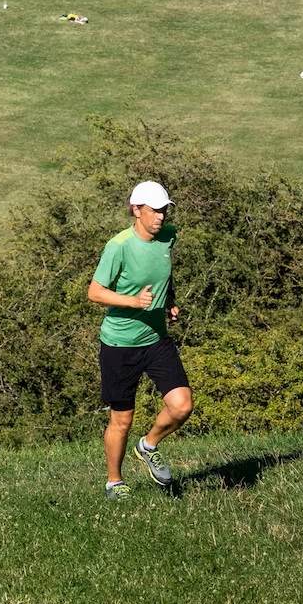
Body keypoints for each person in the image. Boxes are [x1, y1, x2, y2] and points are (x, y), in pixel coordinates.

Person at [87, 180, 193, 500]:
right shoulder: (119, 246)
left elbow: (164, 271)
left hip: (156, 339)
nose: (160, 216)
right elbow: (94, 292)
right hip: (120, 344)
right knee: (122, 419)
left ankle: (148, 445)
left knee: (182, 405)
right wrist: (133, 301)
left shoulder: (168, 237)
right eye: (154, 210)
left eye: (164, 210)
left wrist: (169, 299)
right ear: (136, 210)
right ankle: (114, 483)